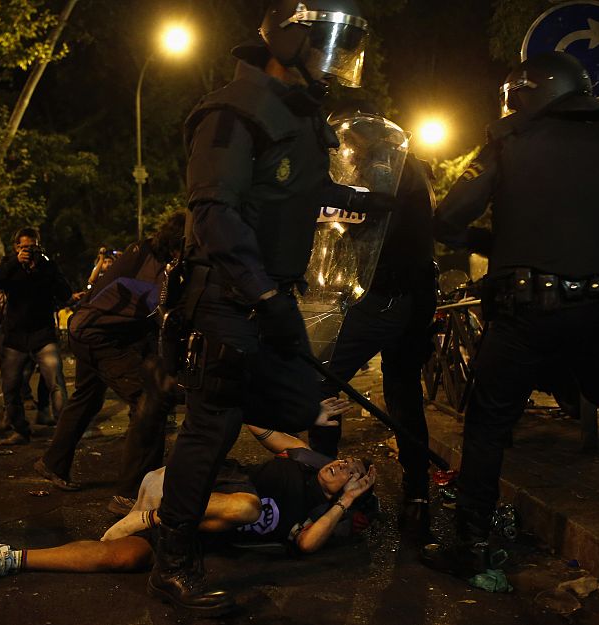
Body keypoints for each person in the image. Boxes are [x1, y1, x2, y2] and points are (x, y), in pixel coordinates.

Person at [148, 1, 394, 614]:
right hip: (229, 298)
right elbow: (212, 212)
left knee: (305, 403)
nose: (336, 61)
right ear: (288, 40)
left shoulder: (303, 118)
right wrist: (261, 294)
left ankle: (265, 497)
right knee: (210, 429)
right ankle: (173, 560)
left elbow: (297, 193)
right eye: (328, 43)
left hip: (269, 296)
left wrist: (371, 200)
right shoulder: (233, 111)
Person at [423, 52, 599, 581]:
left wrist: (492, 242)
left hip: (524, 310)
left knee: (490, 422)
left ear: (525, 93)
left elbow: (448, 216)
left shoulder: (507, 140)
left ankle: (471, 539)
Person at [0, 399, 377, 586]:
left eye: (350, 472)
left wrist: (346, 501)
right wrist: (308, 412)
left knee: (126, 557)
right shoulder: (303, 459)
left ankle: (5, 558)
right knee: (248, 507)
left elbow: (307, 545)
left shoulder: (317, 517)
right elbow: (257, 423)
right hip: (208, 484)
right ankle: (160, 512)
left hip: (194, 526)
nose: (342, 464)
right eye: (345, 460)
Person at [308, 102, 438, 542]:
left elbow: (367, 218)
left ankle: (325, 490)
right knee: (403, 393)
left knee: (327, 384)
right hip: (413, 297)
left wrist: (331, 206)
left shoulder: (385, 167)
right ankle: (418, 497)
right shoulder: (409, 166)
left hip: (386, 297)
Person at [34, 212, 185, 516]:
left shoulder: (142, 250)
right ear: (176, 246)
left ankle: (52, 462)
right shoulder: (158, 268)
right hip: (100, 335)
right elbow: (161, 311)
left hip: (92, 327)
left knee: (86, 399)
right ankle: (131, 493)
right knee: (149, 398)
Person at [0, 227, 72, 445]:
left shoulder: (47, 266)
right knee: (10, 386)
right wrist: (16, 262)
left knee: (56, 382)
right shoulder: (10, 266)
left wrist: (45, 265)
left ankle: (64, 434)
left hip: (43, 334)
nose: (29, 252)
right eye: (24, 248)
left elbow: (65, 293)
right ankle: (20, 430)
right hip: (15, 337)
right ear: (16, 248)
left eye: (32, 247)